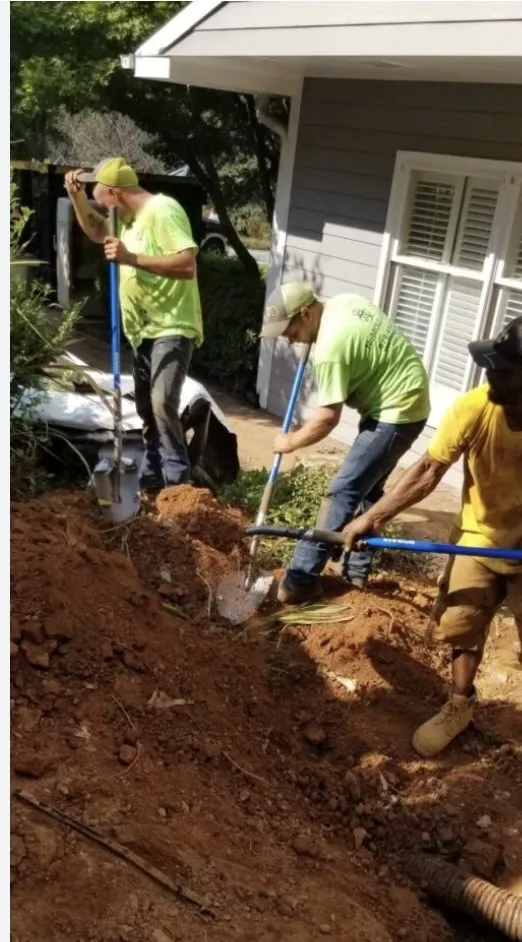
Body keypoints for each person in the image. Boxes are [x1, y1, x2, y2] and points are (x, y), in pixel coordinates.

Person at [343, 316, 522, 757]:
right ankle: (459, 705)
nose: (489, 375)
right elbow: (428, 470)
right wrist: (373, 518)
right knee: (461, 627)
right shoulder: (474, 408)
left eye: (502, 369)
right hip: (478, 538)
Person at [260, 283, 430, 602]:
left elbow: (327, 418)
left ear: (306, 314)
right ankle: (355, 574)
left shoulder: (329, 350)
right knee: (368, 490)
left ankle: (301, 580)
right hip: (405, 397)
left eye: (291, 332)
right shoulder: (344, 301)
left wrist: (289, 442)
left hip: (397, 412)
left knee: (343, 490)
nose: (290, 340)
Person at [64, 157, 203, 492]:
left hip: (171, 325)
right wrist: (77, 197)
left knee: (162, 403)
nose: (104, 211)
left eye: (104, 202)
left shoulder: (163, 210)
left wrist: (130, 258)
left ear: (115, 193)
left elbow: (187, 265)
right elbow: (97, 230)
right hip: (142, 330)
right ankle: (152, 479)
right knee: (145, 409)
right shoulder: (127, 221)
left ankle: (178, 488)